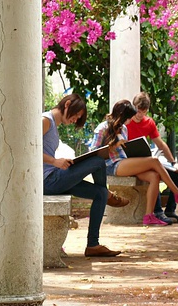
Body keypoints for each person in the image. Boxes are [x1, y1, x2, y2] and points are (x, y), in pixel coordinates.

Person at [43, 94, 129, 257]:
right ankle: (109, 195)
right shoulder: (46, 120)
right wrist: (55, 161)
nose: (75, 119)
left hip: (55, 176)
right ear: (67, 104)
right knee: (98, 161)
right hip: (47, 181)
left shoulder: (53, 124)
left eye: (78, 118)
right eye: (76, 115)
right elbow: (27, 149)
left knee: (99, 193)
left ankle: (93, 245)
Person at [90, 100, 178, 227]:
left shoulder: (123, 128)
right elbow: (93, 152)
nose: (130, 121)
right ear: (123, 116)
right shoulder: (102, 128)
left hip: (125, 162)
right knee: (154, 161)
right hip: (111, 165)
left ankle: (149, 216)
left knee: (154, 176)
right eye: (129, 118)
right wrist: (113, 146)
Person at [127, 92, 178, 225]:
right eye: (137, 110)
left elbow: (160, 144)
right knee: (154, 175)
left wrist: (173, 162)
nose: (139, 114)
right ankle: (158, 212)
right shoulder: (126, 122)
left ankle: (170, 211)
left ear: (147, 110)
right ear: (133, 106)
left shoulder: (149, 122)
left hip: (148, 160)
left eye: (142, 112)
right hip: (132, 163)